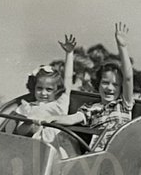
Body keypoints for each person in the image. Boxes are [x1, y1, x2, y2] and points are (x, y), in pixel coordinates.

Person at [46, 23, 134, 152]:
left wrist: (122, 47)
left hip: (120, 152)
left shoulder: (124, 104)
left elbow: (128, 78)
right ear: (98, 84)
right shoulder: (90, 108)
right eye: (105, 82)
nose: (110, 88)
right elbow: (71, 119)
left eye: (115, 84)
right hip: (97, 154)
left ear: (120, 88)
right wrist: (50, 119)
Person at [0, 35, 79, 157]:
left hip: (57, 144)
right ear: (34, 88)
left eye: (49, 89)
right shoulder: (28, 107)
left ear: (57, 90)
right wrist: (29, 124)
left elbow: (68, 79)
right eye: (39, 88)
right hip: (37, 147)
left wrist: (69, 53)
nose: (43, 93)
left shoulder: (60, 103)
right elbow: (20, 131)